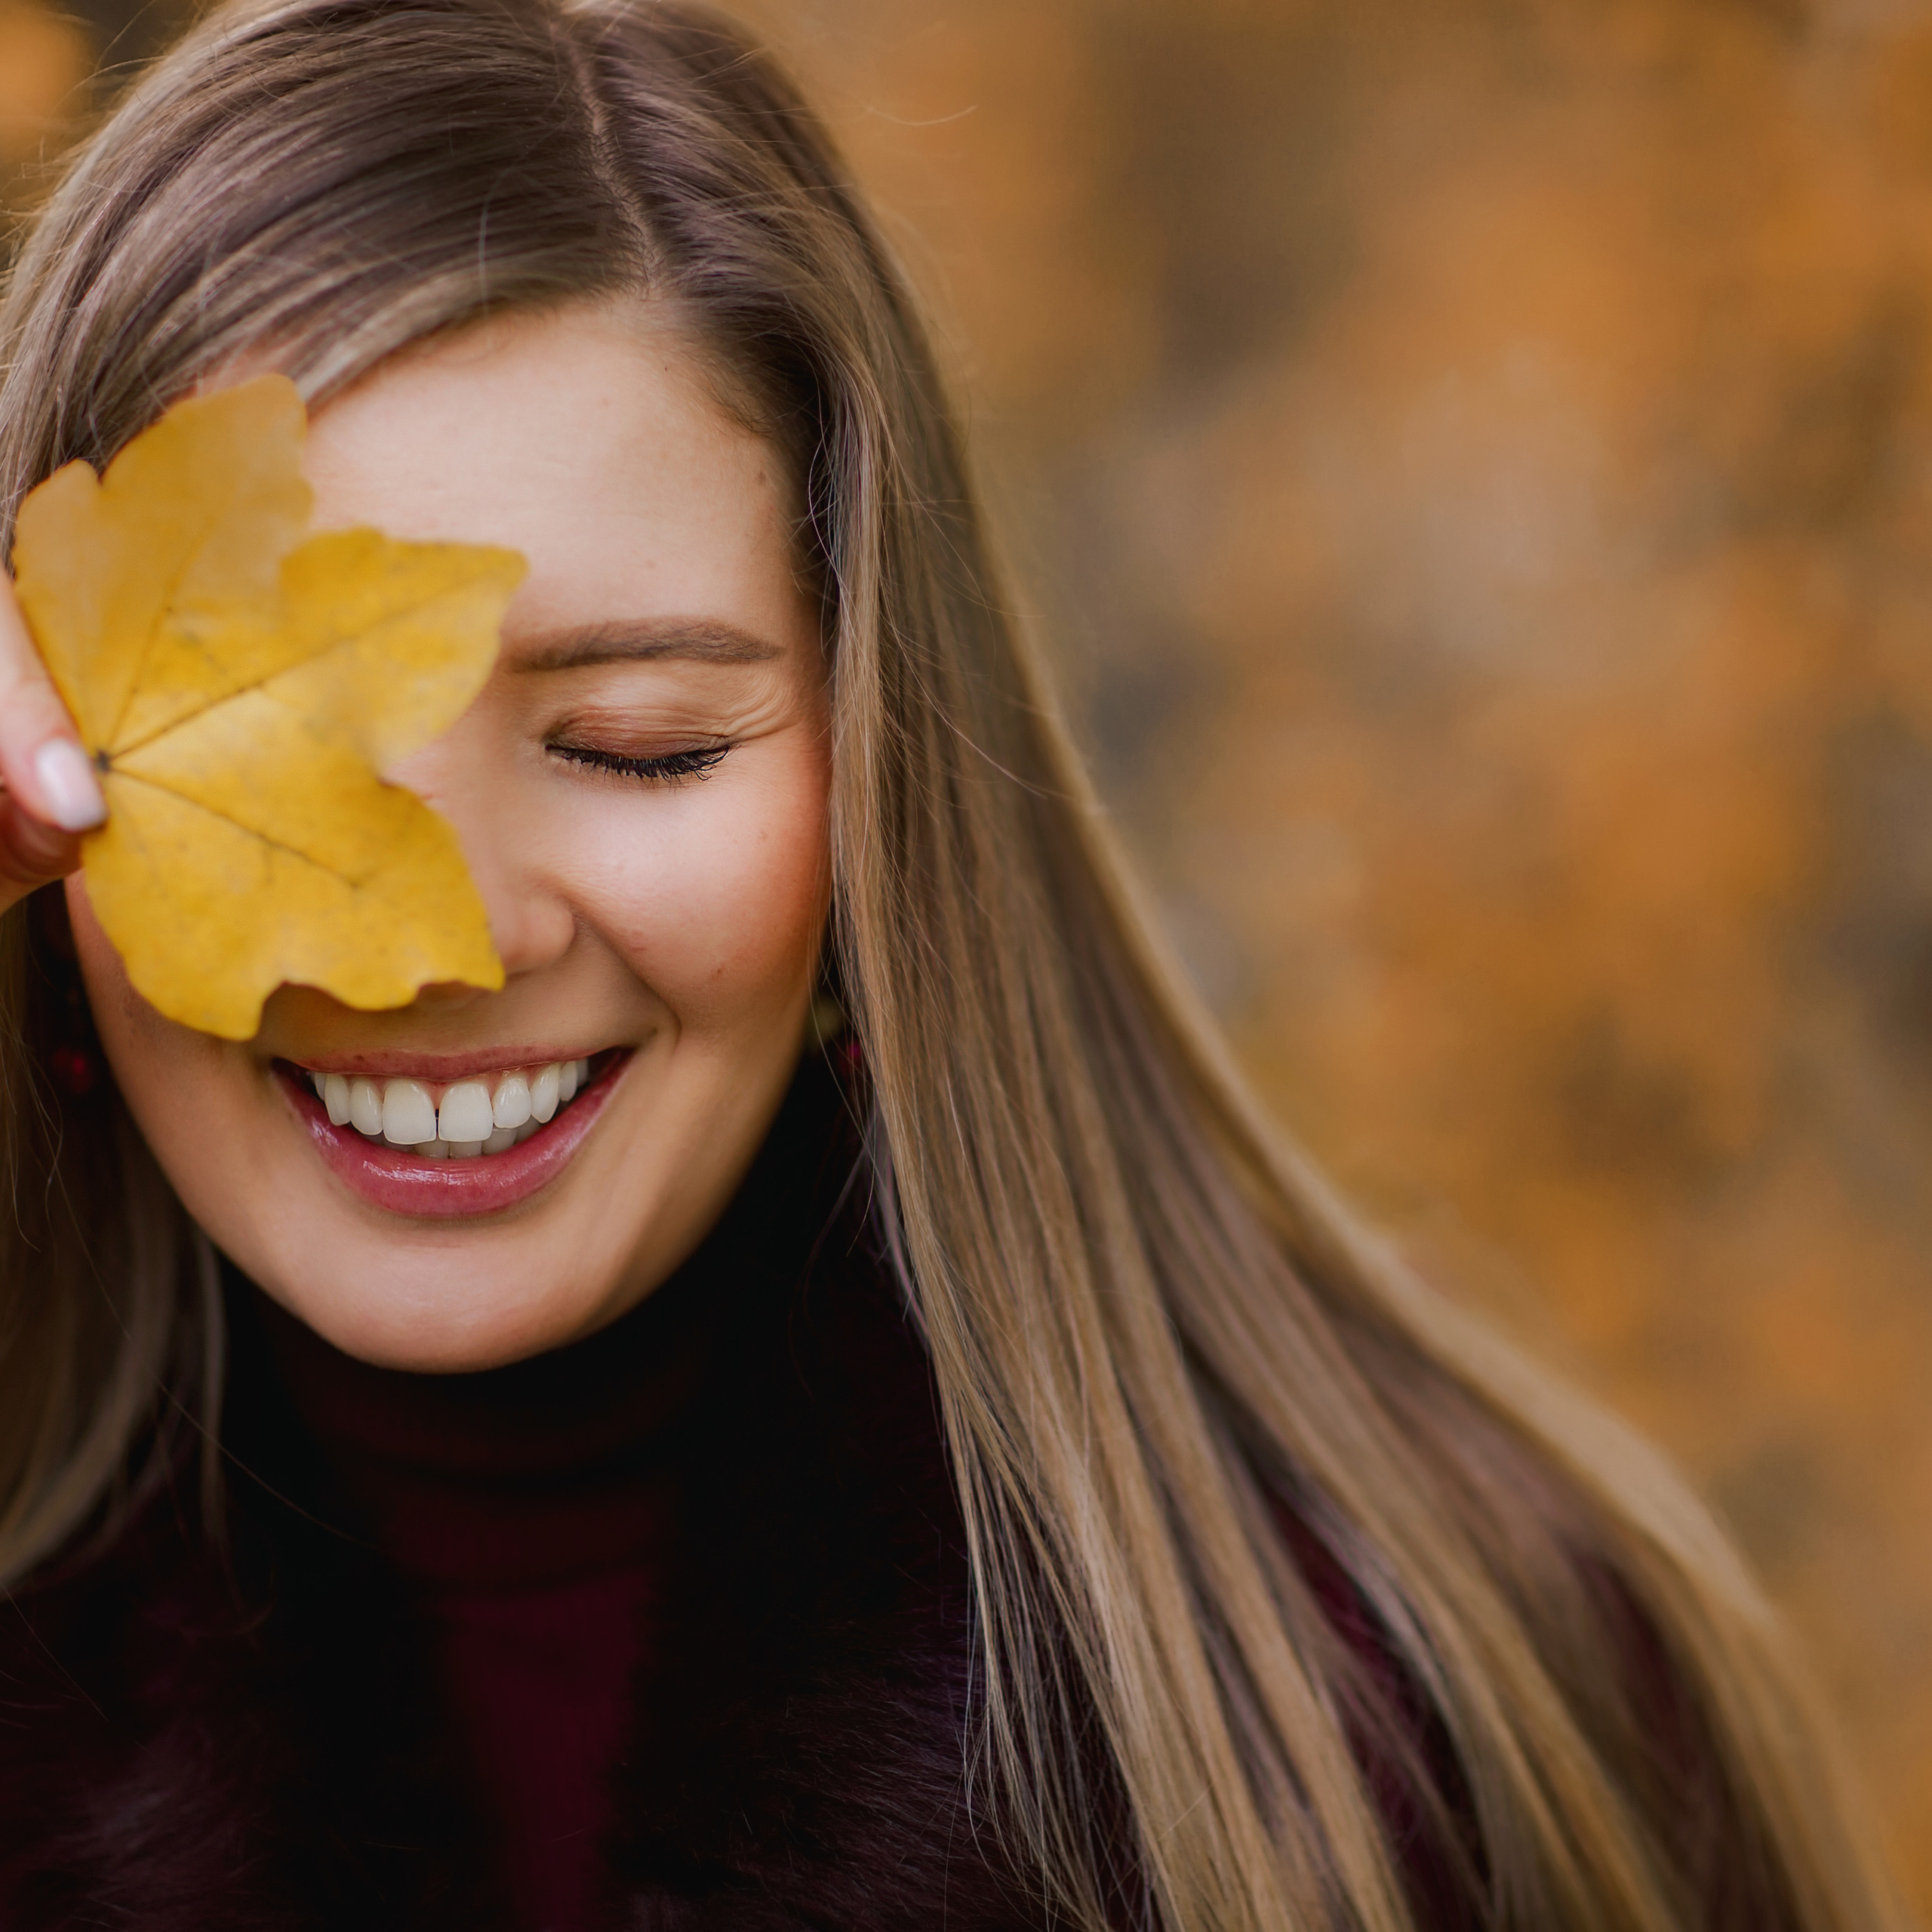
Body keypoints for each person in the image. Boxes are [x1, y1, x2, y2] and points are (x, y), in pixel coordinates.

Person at [0, 2, 1907, 1927]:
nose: (439, 936)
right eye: (279, 776)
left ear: (882, 775)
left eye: (637, 740)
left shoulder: (1433, 1703)